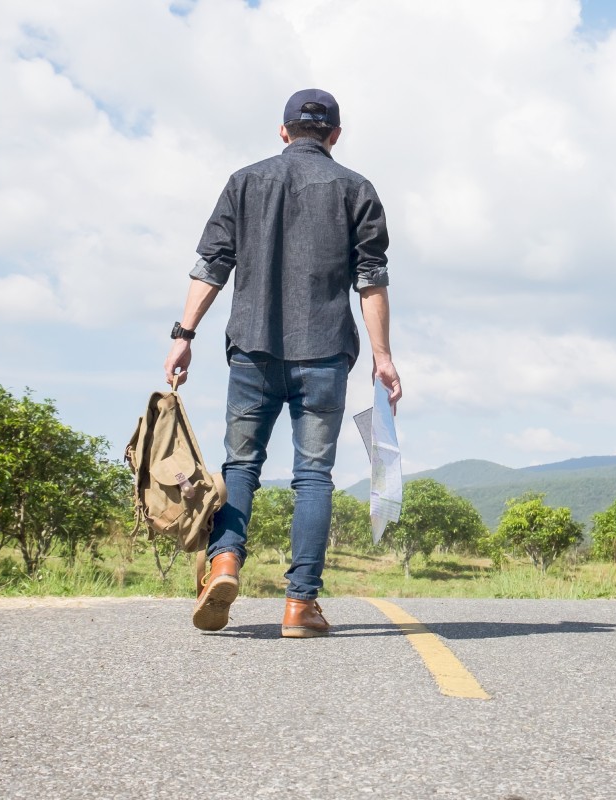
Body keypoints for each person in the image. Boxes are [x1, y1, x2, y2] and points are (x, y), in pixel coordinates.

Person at [163, 88, 401, 638]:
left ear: (283, 130)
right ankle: (300, 607)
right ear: (335, 135)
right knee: (313, 475)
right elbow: (372, 280)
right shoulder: (356, 189)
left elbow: (211, 264)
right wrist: (383, 357)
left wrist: (184, 334)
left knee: (240, 466)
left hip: (251, 349)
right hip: (324, 355)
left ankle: (224, 563)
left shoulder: (244, 181)